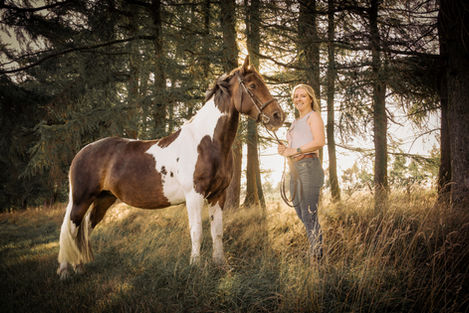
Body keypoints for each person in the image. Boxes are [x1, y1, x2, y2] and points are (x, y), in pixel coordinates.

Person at [277, 83, 325, 260]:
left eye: (302, 95)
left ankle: (317, 259)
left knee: (309, 214)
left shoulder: (314, 117)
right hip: (295, 170)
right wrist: (285, 150)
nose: (298, 99)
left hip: (309, 167)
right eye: (296, 96)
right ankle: (316, 250)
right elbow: (292, 148)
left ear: (310, 98)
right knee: (301, 212)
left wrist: (294, 151)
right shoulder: (295, 123)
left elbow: (319, 141)